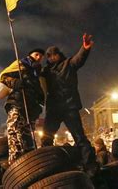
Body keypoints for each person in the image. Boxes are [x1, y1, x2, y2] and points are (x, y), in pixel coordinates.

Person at [41, 33, 96, 168]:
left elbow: (79, 59)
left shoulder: (69, 64)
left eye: (55, 54)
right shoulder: (45, 71)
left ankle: (89, 165)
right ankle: (47, 165)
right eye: (50, 55)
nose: (53, 57)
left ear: (59, 55)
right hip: (53, 109)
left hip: (69, 107)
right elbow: (34, 77)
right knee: (47, 138)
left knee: (79, 137)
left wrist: (85, 48)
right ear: (47, 58)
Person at [0, 48, 46, 164]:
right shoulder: (20, 65)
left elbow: (40, 89)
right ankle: (15, 162)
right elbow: (3, 77)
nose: (39, 57)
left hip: (31, 109)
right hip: (17, 102)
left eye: (41, 56)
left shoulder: (37, 73)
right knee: (15, 131)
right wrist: (15, 83)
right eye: (37, 55)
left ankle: (28, 163)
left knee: (27, 135)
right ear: (30, 55)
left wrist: (40, 99)